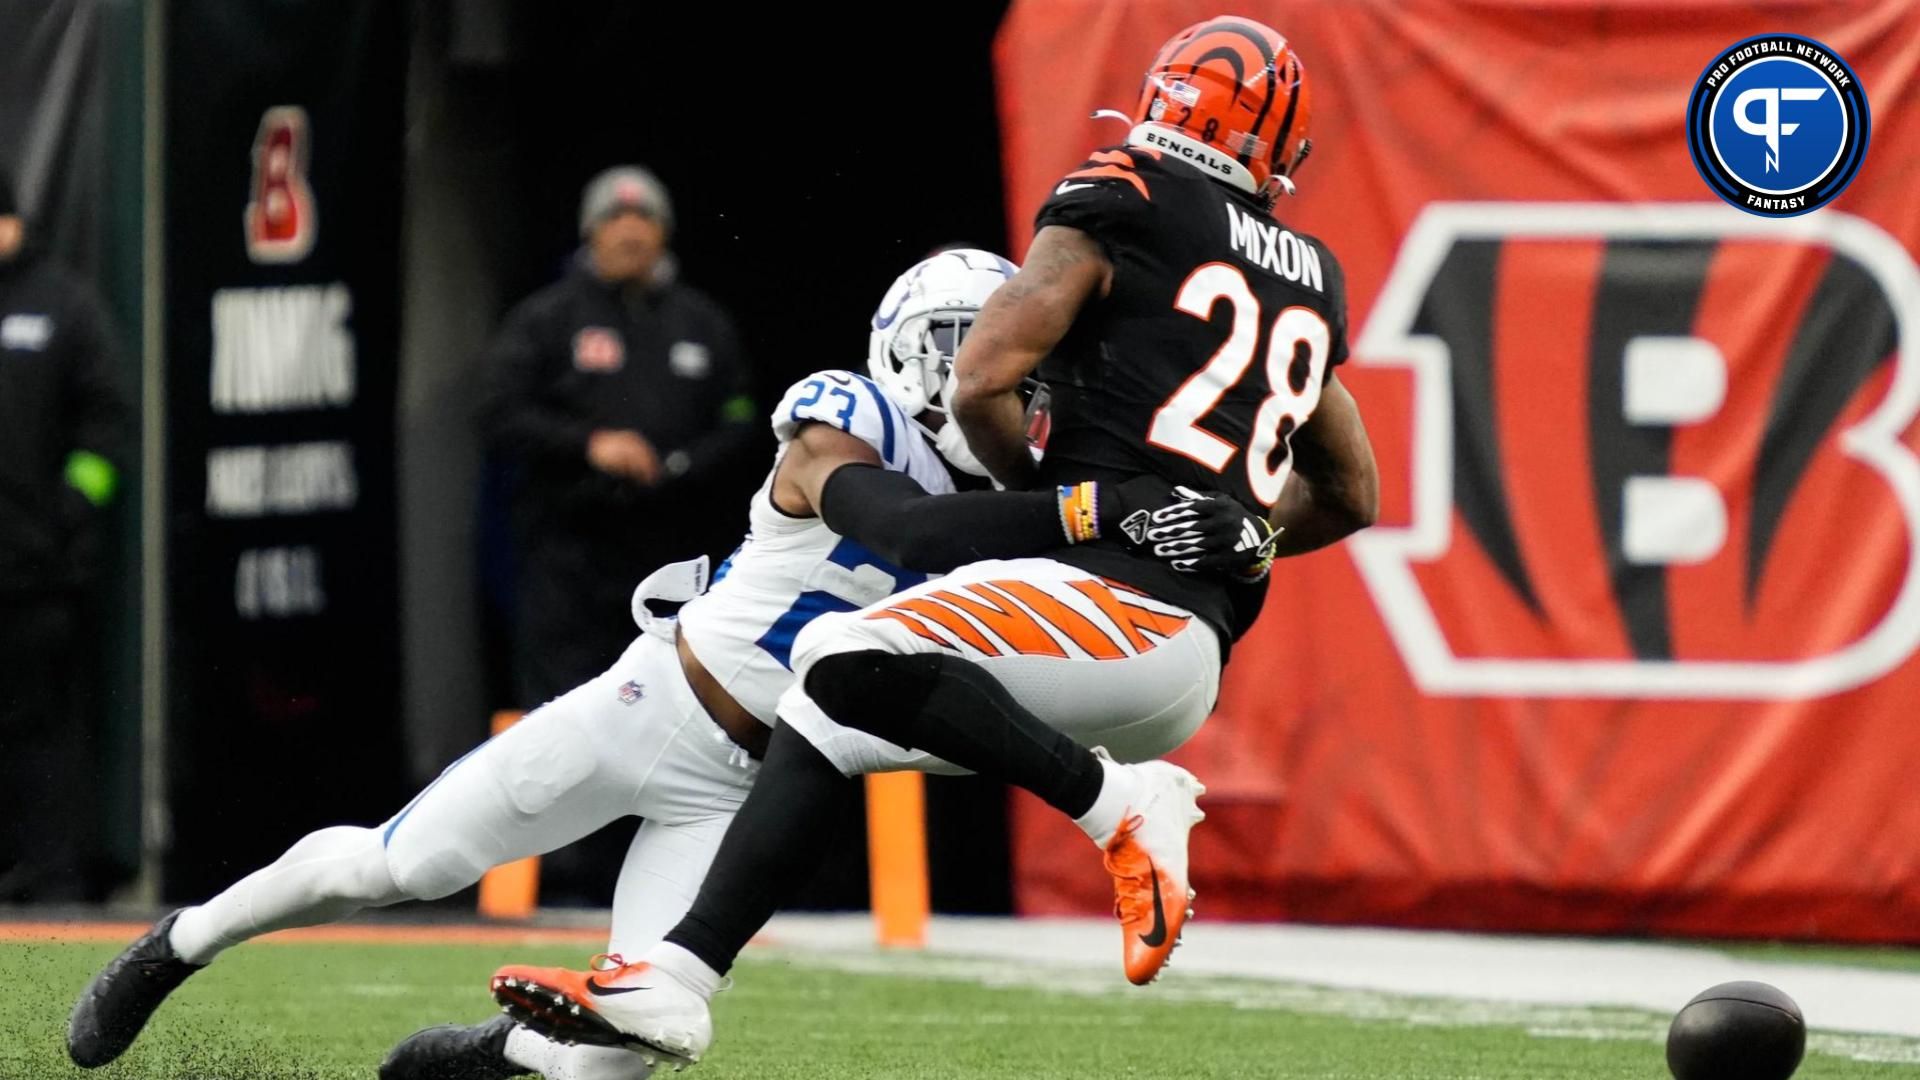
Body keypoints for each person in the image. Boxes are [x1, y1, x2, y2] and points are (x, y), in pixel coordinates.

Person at [65, 249, 1261, 1080]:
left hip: (750, 782)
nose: (979, 375)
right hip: (654, 704)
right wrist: (1107, 513)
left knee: (622, 1048)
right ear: (905, 348)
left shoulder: (1020, 494)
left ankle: (500, 1057)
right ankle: (181, 943)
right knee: (403, 863)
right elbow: (911, 534)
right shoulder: (852, 416)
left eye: (995, 351)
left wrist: (1212, 534)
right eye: (958, 344)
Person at [488, 16, 1379, 1068]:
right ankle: (674, 985)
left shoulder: (1125, 193)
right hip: (1188, 653)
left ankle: (1120, 806)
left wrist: (1055, 505)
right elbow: (1352, 491)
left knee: (840, 653)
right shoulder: (1307, 274)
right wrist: (1246, 537)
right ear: (1277, 148)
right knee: (832, 712)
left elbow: (981, 376)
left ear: (1165, 101)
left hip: (1115, 608)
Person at [479, 165, 756, 714]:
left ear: (664, 231)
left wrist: (678, 465)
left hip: (671, 549)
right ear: (591, 232)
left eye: (643, 217)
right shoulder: (546, 319)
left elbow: (742, 418)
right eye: (614, 217)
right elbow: (496, 412)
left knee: (672, 702)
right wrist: (589, 445)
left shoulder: (703, 323)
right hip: (567, 554)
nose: (630, 230)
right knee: (566, 707)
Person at [0, 163, 132, 902]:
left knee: (38, 731)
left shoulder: (64, 309)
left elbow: (106, 430)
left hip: (35, 573)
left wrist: (69, 517)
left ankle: (51, 877)